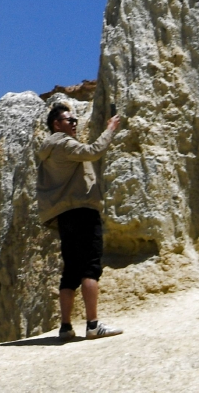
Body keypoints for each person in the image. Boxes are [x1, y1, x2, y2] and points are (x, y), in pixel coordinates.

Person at [35, 101, 124, 341]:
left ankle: (65, 327)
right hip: (82, 210)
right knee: (90, 267)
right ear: (57, 124)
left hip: (64, 215)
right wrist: (111, 128)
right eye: (69, 121)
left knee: (71, 271)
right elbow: (93, 151)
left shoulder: (47, 151)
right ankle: (93, 324)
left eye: (75, 121)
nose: (74, 124)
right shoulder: (63, 143)